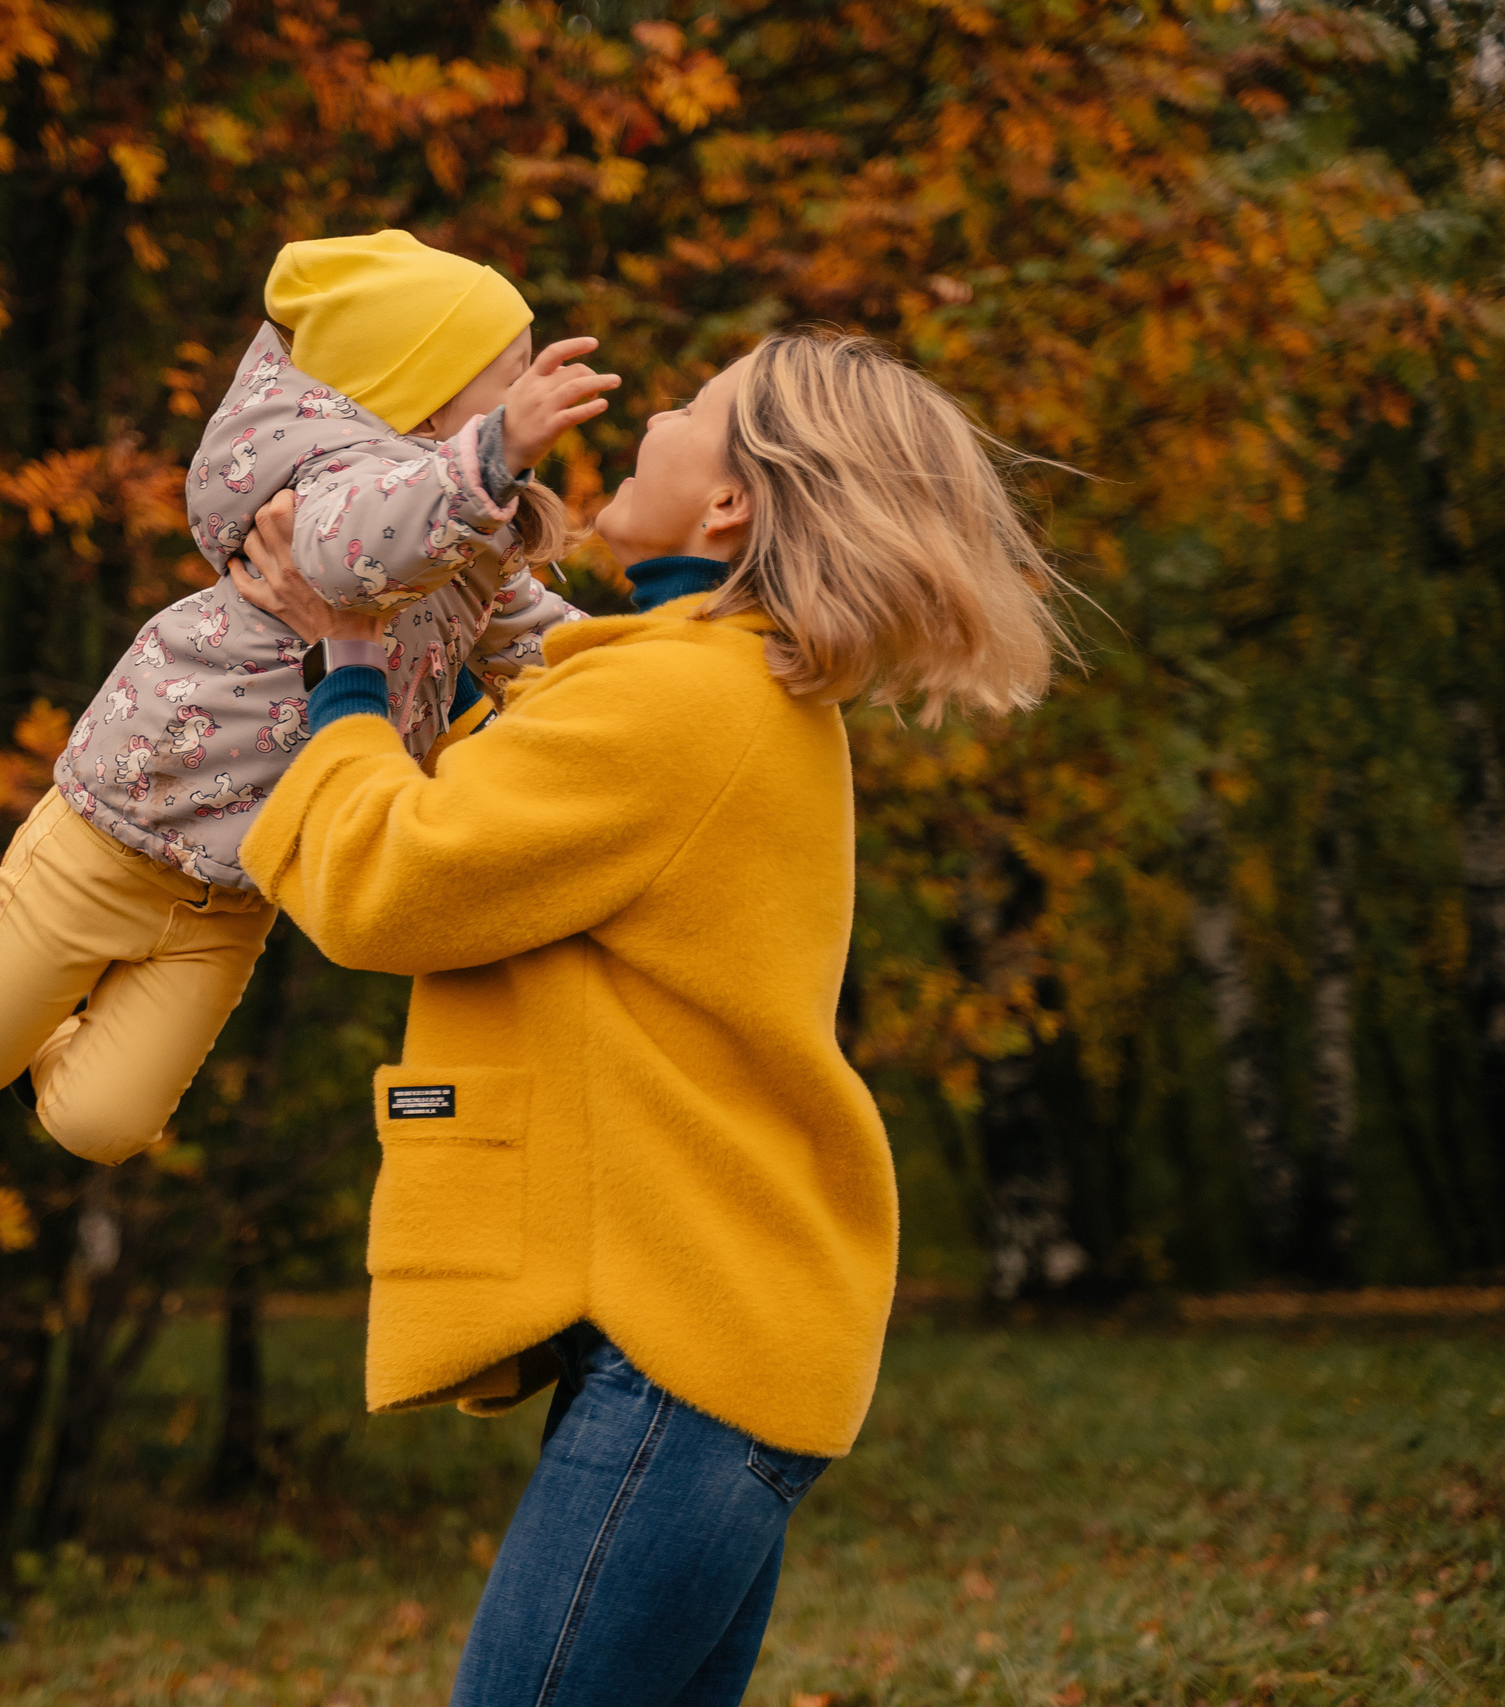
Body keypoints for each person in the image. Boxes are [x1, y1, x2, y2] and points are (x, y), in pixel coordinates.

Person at [226, 327, 1071, 1705]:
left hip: (693, 1345)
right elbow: (538, 736)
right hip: (717, 1323)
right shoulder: (714, 681)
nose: (653, 411)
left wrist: (346, 673)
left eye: (693, 403)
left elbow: (392, 885)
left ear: (731, 501)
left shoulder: (679, 696)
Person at [0, 231, 617, 1163]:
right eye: (508, 372)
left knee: (101, 1126)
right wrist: (497, 453)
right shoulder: (329, 490)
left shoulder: (463, 538)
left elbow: (533, 638)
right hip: (119, 829)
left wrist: (652, 662)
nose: (528, 392)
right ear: (422, 397)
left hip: (233, 890)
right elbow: (355, 555)